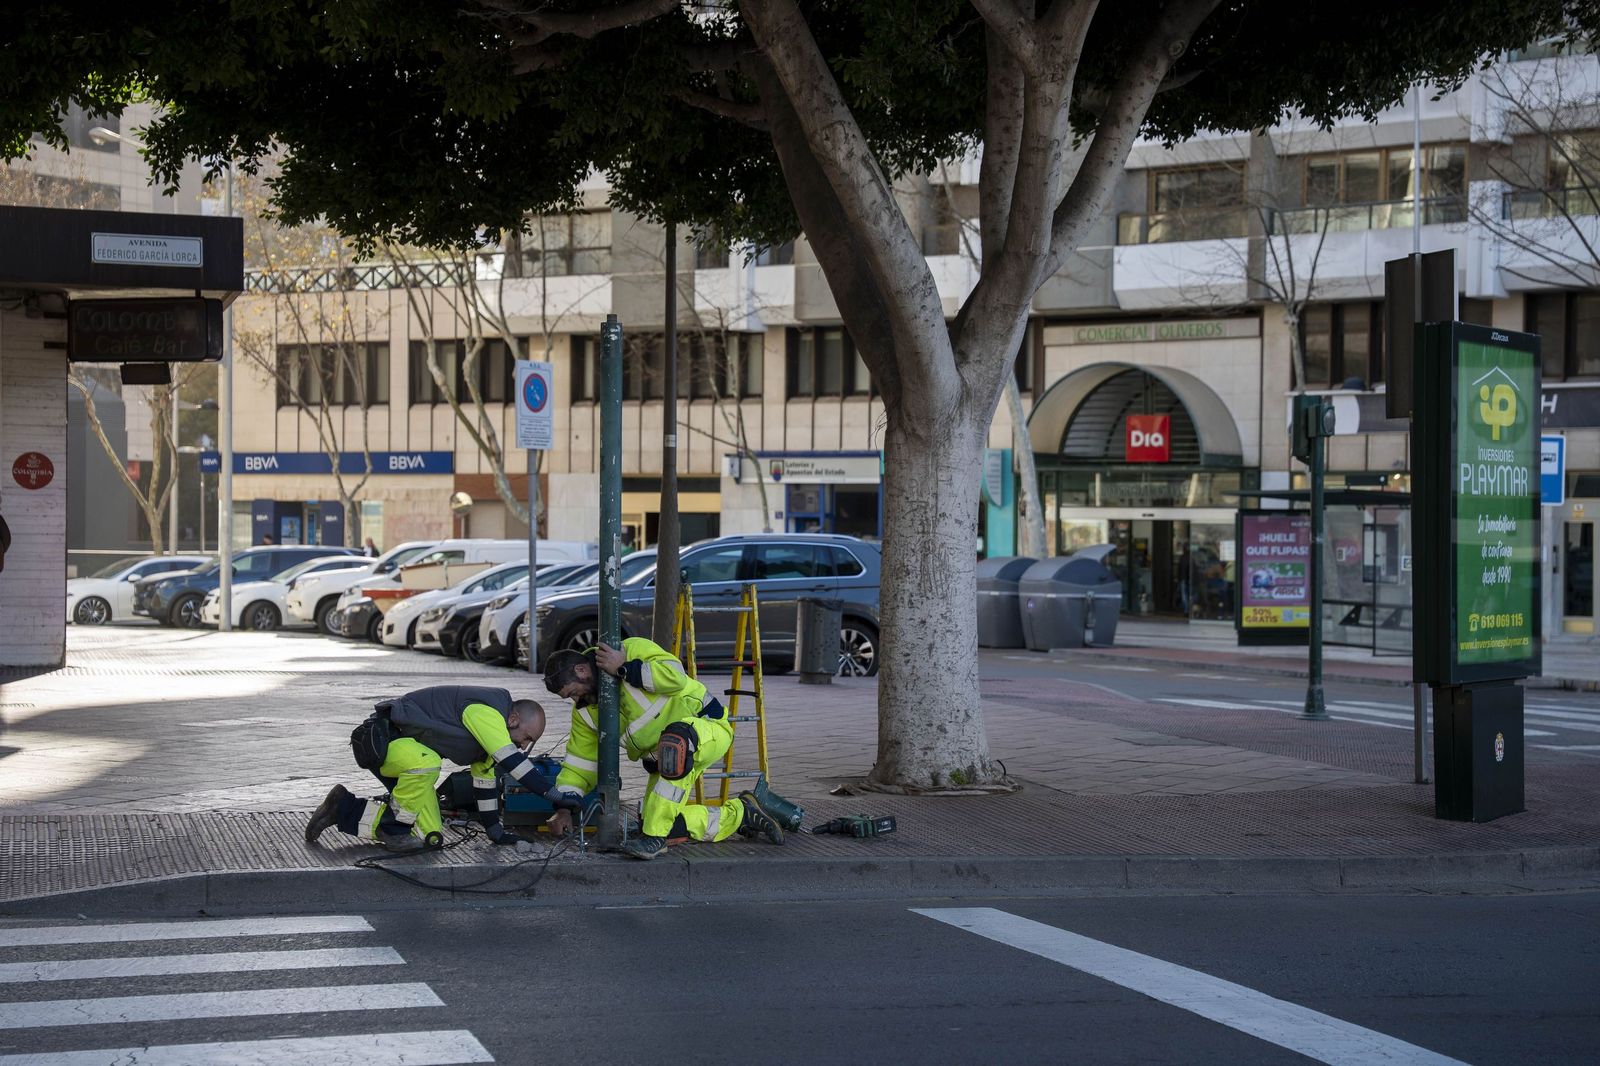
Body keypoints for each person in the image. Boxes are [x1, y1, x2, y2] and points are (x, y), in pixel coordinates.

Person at [542, 638, 803, 860]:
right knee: (662, 821)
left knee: (673, 752)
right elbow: (580, 765)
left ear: (582, 670)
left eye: (574, 692)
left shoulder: (629, 650)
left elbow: (675, 677)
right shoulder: (586, 713)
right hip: (668, 759)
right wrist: (564, 808)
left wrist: (624, 668)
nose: (575, 700)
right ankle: (743, 813)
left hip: (704, 729)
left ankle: (654, 839)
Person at [306, 685, 555, 852]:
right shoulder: (487, 712)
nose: (524, 747)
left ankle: (342, 808)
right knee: (428, 764)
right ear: (513, 720)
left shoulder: (490, 744)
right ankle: (394, 827)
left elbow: (485, 784)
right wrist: (553, 795)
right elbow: (513, 762)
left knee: (429, 837)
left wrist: (496, 833)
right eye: (527, 737)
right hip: (386, 741)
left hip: (412, 754)